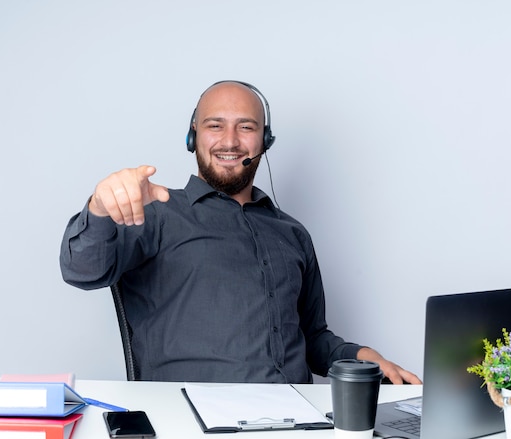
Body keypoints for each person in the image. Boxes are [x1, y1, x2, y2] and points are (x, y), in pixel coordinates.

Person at [60, 80, 421, 385]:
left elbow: (312, 339)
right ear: (192, 137)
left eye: (246, 127)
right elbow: (82, 269)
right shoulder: (155, 213)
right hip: (190, 419)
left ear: (264, 141)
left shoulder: (293, 233)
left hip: (299, 418)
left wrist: (362, 355)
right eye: (215, 125)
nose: (230, 141)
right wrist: (100, 208)